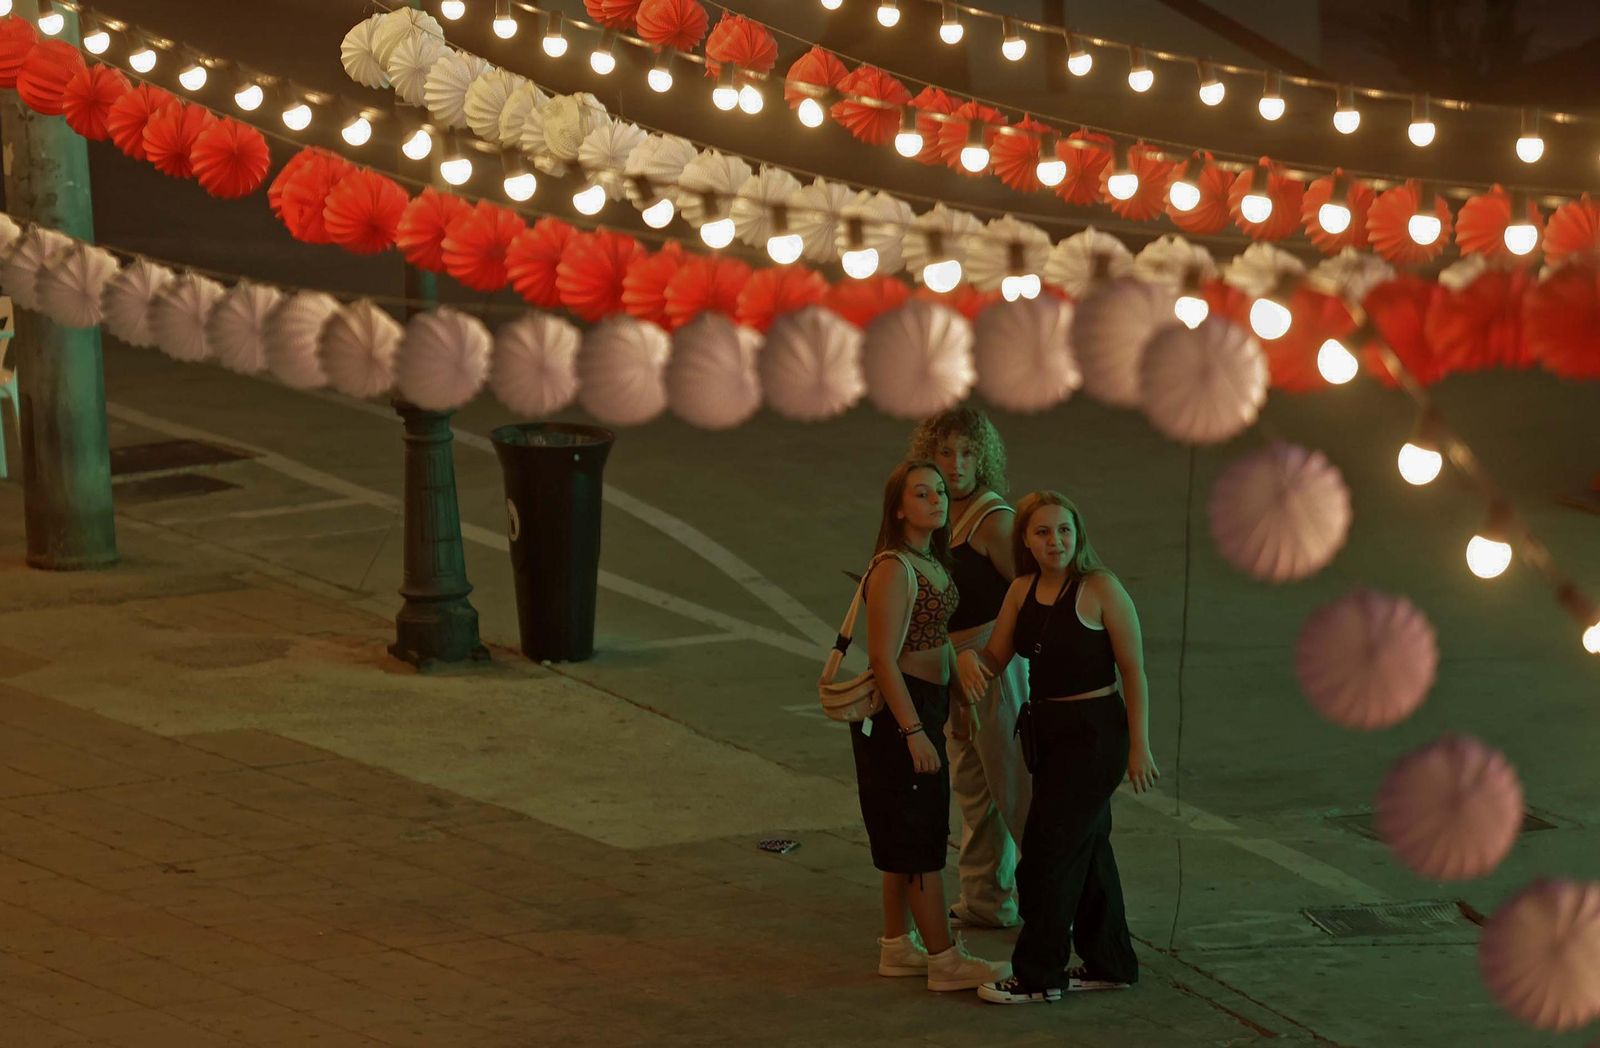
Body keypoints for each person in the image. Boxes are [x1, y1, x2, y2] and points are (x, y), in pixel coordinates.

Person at [957, 491, 1161, 1004]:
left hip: (1095, 735)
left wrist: (1140, 747)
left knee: (1047, 854)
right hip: (1047, 733)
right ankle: (1111, 962)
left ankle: (1038, 975)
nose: (1056, 541)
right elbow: (996, 656)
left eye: (1064, 530)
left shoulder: (1101, 589)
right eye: (1043, 532)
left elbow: (1133, 672)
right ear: (1025, 539)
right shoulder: (1022, 591)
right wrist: (962, 660)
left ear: (1079, 534)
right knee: (1089, 851)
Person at [852, 459, 1010, 992]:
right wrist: (914, 731)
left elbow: (936, 635)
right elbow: (882, 657)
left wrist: (956, 692)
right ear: (899, 508)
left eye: (940, 492)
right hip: (904, 710)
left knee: (904, 832)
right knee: (919, 834)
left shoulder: (929, 558)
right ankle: (944, 960)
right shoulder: (895, 567)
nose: (937, 500)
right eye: (922, 494)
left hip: (928, 703)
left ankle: (898, 946)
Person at [908, 408, 1029, 929]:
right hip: (957, 666)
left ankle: (1061, 903)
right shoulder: (939, 514)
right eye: (945, 453)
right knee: (976, 790)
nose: (956, 465)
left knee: (1018, 786)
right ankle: (985, 900)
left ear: (985, 458)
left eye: (968, 453)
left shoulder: (992, 519)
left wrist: (995, 656)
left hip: (993, 664)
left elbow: (1030, 594)